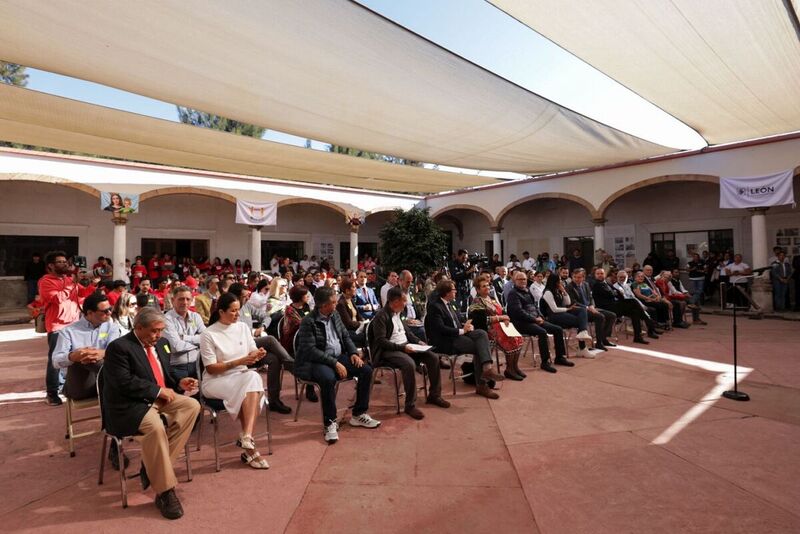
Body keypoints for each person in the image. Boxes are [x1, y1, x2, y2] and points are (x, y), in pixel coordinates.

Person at [102, 307, 201, 519]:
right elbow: (123, 383)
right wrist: (157, 391)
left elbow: (164, 375)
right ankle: (165, 491)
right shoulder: (119, 348)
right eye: (155, 331)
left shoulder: (162, 344)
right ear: (138, 328)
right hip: (130, 405)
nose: (159, 335)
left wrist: (178, 382)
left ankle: (151, 467)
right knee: (155, 428)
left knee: (192, 406)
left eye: (162, 330)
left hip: (159, 399)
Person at [294, 287, 381, 444]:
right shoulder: (309, 321)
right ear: (322, 305)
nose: (336, 305)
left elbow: (346, 336)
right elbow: (310, 350)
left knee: (366, 370)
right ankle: (330, 422)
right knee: (327, 379)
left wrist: (353, 353)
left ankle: (359, 414)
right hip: (317, 361)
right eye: (333, 303)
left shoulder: (334, 315)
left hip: (338, 356)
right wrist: (335, 363)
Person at [199, 293, 271, 469]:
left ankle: (247, 439)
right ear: (221, 311)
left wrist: (257, 354)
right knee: (251, 382)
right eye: (233, 311)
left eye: (238, 310)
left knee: (253, 378)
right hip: (216, 381)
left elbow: (251, 352)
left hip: (241, 377)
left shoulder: (242, 328)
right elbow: (211, 368)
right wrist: (239, 362)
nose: (238, 314)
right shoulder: (208, 334)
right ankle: (248, 445)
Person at [370, 287, 450, 419]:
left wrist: (419, 342)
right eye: (404, 300)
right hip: (389, 351)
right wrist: (403, 349)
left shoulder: (398, 313)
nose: (406, 303)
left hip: (406, 347)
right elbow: (381, 341)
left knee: (433, 358)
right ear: (395, 301)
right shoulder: (381, 316)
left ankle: (434, 395)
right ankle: (410, 405)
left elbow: (408, 333)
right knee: (409, 364)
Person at [424, 279, 505, 398]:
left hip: (459, 334)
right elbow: (441, 329)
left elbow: (457, 321)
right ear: (447, 293)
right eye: (453, 290)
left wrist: (466, 325)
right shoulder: (435, 307)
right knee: (479, 348)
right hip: (446, 340)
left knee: (481, 333)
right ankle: (482, 384)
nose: (456, 292)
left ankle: (487, 369)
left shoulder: (451, 304)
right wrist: (462, 330)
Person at [39, 250, 99, 405]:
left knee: (75, 358)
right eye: (60, 262)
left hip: (74, 324)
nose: (64, 264)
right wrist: (72, 283)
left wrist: (93, 283)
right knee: (56, 360)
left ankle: (68, 387)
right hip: (58, 326)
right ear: (50, 266)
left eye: (65, 261)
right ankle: (52, 393)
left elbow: (82, 295)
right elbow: (57, 299)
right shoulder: (46, 281)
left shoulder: (68, 279)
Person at [227, 283, 296, 414]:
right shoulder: (227, 310)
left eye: (247, 296)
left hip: (251, 346)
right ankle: (293, 366)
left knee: (274, 359)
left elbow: (266, 316)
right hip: (236, 350)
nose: (247, 298)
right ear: (235, 297)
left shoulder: (247, 306)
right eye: (244, 296)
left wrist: (262, 326)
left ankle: (274, 401)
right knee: (270, 339)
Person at [52, 292, 122, 400]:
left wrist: (102, 353)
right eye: (104, 311)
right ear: (90, 313)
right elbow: (56, 361)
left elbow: (116, 351)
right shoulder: (68, 331)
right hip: (80, 386)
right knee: (84, 356)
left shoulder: (111, 327)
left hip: (106, 382)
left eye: (110, 309)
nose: (109, 313)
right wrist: (73, 356)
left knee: (108, 355)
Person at [505, 271, 569, 373]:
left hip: (535, 319)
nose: (523, 281)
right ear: (514, 281)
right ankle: (545, 362)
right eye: (520, 279)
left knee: (558, 329)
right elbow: (518, 312)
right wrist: (534, 319)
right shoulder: (513, 294)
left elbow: (535, 306)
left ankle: (560, 357)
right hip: (521, 323)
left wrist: (540, 316)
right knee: (542, 332)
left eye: (524, 279)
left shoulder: (527, 291)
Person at [469, 275, 524, 380]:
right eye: (483, 286)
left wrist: (506, 318)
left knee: (518, 337)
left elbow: (502, 310)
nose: (487, 288)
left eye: (488, 285)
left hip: (501, 325)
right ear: (477, 289)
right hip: (487, 330)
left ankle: (514, 367)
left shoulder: (492, 298)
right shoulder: (476, 302)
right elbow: (482, 321)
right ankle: (509, 370)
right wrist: (500, 318)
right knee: (511, 340)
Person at [540, 273, 594, 358]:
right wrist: (567, 309)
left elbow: (567, 302)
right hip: (553, 316)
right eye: (559, 280)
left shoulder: (557, 290)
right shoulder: (548, 292)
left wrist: (564, 291)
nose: (561, 281)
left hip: (562, 313)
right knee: (580, 321)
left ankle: (583, 334)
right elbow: (554, 309)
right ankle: (582, 348)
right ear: (554, 281)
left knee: (582, 310)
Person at [591, 268, 650, 344]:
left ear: (605, 274)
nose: (600, 275)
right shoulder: (596, 284)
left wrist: (615, 292)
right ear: (595, 275)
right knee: (633, 301)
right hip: (606, 308)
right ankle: (647, 319)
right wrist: (614, 292)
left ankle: (637, 336)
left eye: (601, 273)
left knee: (635, 312)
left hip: (615, 305)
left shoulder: (607, 283)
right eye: (598, 274)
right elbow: (611, 293)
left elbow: (617, 292)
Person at [163, 286, 206, 380]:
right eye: (181, 299)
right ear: (173, 300)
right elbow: (176, 347)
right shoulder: (166, 319)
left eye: (188, 299)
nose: (185, 302)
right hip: (177, 368)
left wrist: (185, 338)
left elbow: (207, 338)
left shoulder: (196, 317)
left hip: (198, 364)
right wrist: (198, 344)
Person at [567, 268, 617, 350]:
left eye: (579, 277)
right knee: (600, 317)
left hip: (590, 307)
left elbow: (590, 298)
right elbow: (572, 302)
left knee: (612, 315)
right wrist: (587, 307)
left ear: (583, 277)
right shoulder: (569, 287)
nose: (577, 279)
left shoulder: (586, 284)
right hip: (579, 310)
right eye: (575, 277)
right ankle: (599, 342)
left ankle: (604, 338)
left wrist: (592, 306)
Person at [336, 278, 367, 346]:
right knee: (366, 337)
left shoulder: (350, 299)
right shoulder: (341, 304)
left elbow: (358, 315)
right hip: (349, 331)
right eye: (353, 287)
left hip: (357, 328)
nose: (356, 289)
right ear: (347, 290)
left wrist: (364, 321)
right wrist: (361, 323)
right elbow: (348, 323)